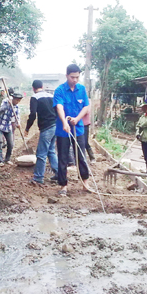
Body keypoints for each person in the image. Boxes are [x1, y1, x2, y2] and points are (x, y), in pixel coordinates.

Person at [54, 64, 90, 196]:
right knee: (63, 157)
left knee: (81, 155)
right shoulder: (60, 90)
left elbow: (86, 106)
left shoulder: (82, 89)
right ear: (67, 76)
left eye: (77, 77)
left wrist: (77, 118)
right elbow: (59, 107)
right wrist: (65, 122)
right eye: (72, 77)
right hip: (63, 130)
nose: (75, 80)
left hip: (78, 129)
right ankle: (63, 185)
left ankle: (85, 182)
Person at [25, 80, 58, 185]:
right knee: (51, 151)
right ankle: (59, 174)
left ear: (33, 88)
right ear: (42, 86)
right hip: (55, 126)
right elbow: (58, 110)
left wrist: (27, 128)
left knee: (41, 153)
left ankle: (38, 177)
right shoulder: (51, 96)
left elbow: (33, 114)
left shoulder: (35, 97)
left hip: (46, 127)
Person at [0, 93, 22, 166]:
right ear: (13, 98)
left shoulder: (17, 107)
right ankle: (0, 161)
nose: (17, 102)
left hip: (8, 126)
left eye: (19, 100)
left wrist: (18, 123)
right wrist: (8, 105)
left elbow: (17, 117)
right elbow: (0, 110)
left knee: (11, 144)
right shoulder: (6, 101)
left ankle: (7, 159)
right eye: (17, 100)